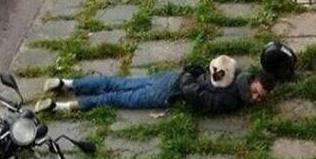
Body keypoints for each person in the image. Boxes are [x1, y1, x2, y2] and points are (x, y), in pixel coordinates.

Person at [34, 65, 275, 114]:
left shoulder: (236, 70)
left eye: (259, 98)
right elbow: (198, 98)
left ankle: (67, 83)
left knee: (118, 83)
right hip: (169, 92)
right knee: (116, 98)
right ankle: (59, 107)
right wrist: (187, 83)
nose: (254, 98)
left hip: (170, 76)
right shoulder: (232, 99)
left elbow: (204, 69)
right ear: (254, 81)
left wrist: (189, 73)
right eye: (256, 92)